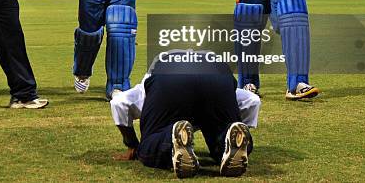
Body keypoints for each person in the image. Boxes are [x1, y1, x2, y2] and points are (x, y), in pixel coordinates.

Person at [110, 50, 258, 178]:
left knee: (149, 144)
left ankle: (170, 138)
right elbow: (252, 101)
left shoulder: (149, 82)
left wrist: (132, 145)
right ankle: (227, 141)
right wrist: (237, 130)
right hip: (219, 76)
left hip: (169, 79)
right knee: (223, 132)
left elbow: (119, 103)